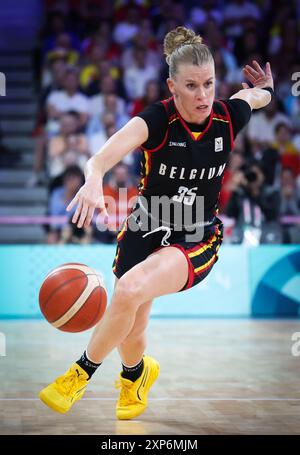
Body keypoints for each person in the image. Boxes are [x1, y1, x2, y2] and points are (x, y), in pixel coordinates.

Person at [39, 26, 274, 420]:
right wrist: (94, 179)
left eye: (209, 83)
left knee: (129, 290)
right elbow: (100, 158)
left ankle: (78, 375)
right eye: (192, 86)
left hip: (195, 235)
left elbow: (255, 96)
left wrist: (266, 88)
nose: (203, 95)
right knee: (131, 324)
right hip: (145, 226)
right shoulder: (156, 119)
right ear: (172, 85)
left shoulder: (227, 116)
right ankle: (135, 375)